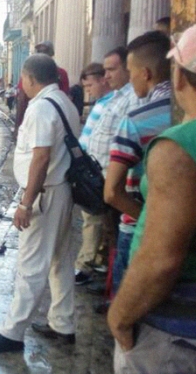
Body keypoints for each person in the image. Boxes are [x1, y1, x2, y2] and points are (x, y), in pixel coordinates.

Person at [0, 54, 80, 353]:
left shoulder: (41, 108)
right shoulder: (65, 102)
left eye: (23, 78)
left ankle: (12, 332)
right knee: (60, 260)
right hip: (61, 190)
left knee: (31, 265)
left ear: (30, 78)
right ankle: (63, 323)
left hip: (45, 194)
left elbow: (41, 157)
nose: (22, 84)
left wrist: (25, 203)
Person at [108, 24, 196, 373]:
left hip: (173, 330)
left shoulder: (177, 148)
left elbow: (161, 259)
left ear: (179, 77)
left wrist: (119, 316)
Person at [104, 31, 172, 296]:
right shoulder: (184, 111)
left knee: (128, 310)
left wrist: (148, 221)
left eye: (131, 71)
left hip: (138, 231)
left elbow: (112, 192)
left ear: (146, 73)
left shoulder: (136, 120)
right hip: (184, 230)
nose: (130, 78)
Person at [74, 62, 113, 286]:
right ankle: (99, 259)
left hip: (100, 169)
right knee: (101, 220)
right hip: (93, 167)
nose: (88, 91)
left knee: (92, 218)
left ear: (102, 80)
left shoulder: (111, 104)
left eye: (90, 86)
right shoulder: (102, 103)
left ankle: (84, 265)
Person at [14, 41, 69, 135]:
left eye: (45, 51)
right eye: (39, 51)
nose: (41, 54)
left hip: (51, 120)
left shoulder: (61, 73)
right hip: (34, 120)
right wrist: (18, 126)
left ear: (51, 54)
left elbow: (65, 97)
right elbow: (22, 99)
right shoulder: (29, 73)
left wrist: (17, 127)